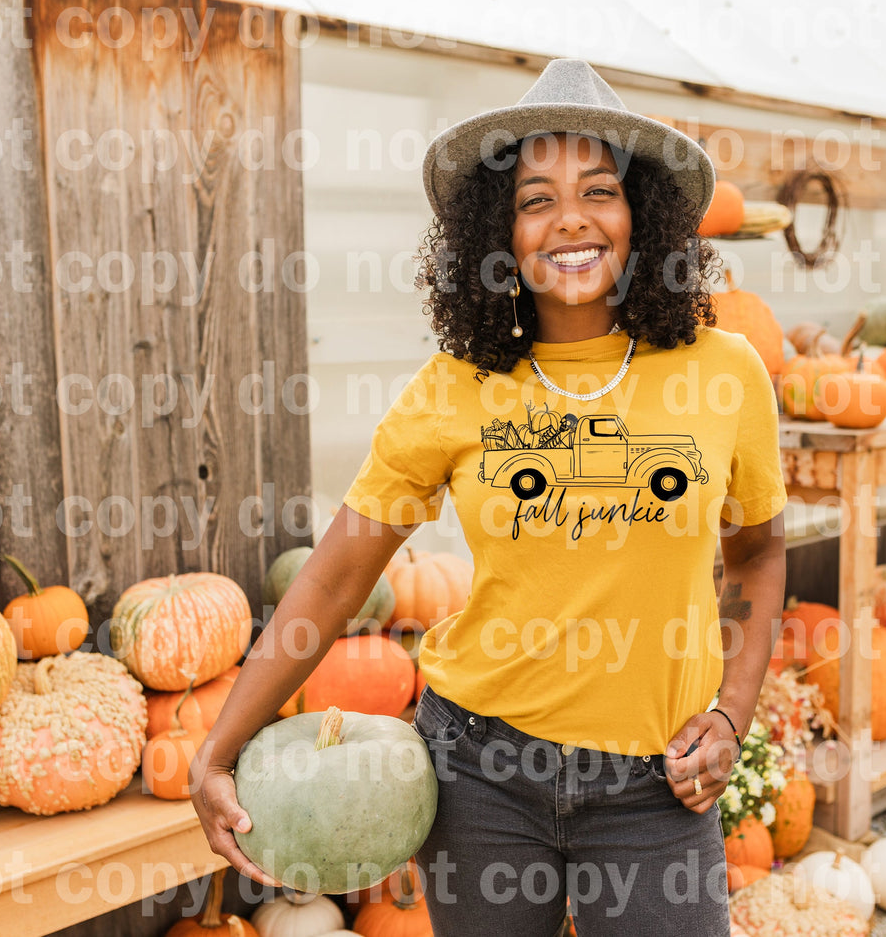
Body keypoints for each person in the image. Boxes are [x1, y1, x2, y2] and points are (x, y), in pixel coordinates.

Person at [192, 58, 787, 937]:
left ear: (644, 214)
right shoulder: (457, 385)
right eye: (535, 199)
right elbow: (334, 576)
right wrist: (218, 744)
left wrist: (731, 715)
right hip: (481, 774)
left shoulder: (724, 370)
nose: (570, 220)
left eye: (598, 190)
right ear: (499, 233)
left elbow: (759, 553)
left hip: (655, 787)